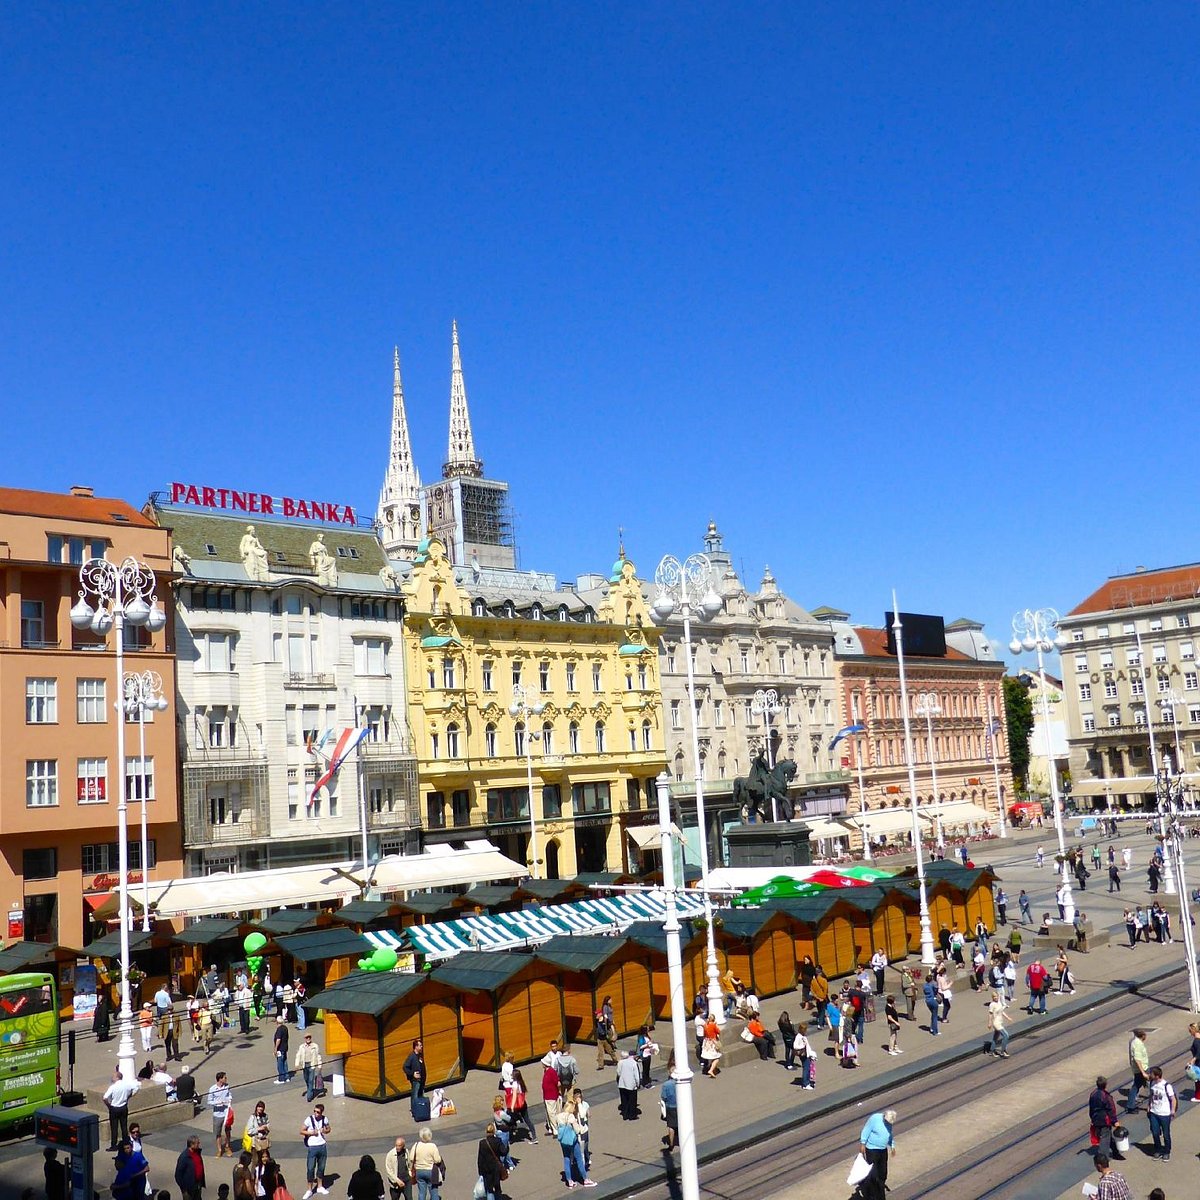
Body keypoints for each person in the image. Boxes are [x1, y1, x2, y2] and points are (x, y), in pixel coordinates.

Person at [856, 1109, 896, 1200]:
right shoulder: (874, 1119)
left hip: (883, 1150)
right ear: (884, 1117)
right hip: (872, 1150)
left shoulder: (889, 1122)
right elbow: (866, 1130)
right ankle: (875, 1195)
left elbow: (889, 1134)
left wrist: (892, 1145)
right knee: (874, 1175)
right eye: (887, 1122)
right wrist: (863, 1143)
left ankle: (878, 1191)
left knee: (883, 1173)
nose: (888, 1123)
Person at [554, 1111, 596, 1189]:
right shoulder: (570, 1116)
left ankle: (570, 1181)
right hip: (572, 1140)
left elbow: (556, 1128)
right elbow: (577, 1130)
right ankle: (585, 1180)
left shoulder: (558, 1116)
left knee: (566, 1159)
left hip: (563, 1141)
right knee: (579, 1159)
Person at [103, 1068, 139, 1150]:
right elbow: (136, 1088)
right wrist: (128, 1096)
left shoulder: (113, 1087)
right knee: (124, 1126)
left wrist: (109, 1105)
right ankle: (126, 1142)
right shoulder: (126, 1084)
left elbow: (104, 1098)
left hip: (114, 1108)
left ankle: (113, 1145)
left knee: (114, 1127)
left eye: (113, 1076)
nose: (112, 1078)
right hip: (123, 1107)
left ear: (117, 1077)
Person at [300, 1103, 331, 1199]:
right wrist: (310, 1133)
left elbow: (329, 1129)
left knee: (321, 1167)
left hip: (322, 1146)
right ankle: (309, 1189)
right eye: (314, 1111)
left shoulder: (324, 1119)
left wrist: (324, 1130)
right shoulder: (309, 1119)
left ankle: (320, 1186)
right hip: (312, 1147)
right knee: (310, 1168)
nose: (315, 1113)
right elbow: (301, 1131)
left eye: (318, 1112)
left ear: (321, 1112)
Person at [1088, 1076, 1122, 1161]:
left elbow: (1091, 1108)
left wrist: (1092, 1118)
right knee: (1105, 1139)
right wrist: (1115, 1121)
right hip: (1104, 1120)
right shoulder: (1106, 1096)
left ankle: (1115, 1152)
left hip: (1095, 1119)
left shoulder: (1093, 1094)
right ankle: (1103, 1159)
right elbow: (1111, 1109)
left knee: (1108, 1136)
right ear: (1105, 1085)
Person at [1147, 1066, 1177, 1160]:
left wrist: (1172, 1110)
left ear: (1156, 1075)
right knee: (1155, 1132)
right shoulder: (1152, 1083)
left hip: (1164, 1114)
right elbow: (1151, 1095)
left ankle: (1167, 1151)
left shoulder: (1166, 1085)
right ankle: (1158, 1149)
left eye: (1151, 1074)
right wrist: (1149, 1106)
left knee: (1166, 1134)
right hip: (1154, 1112)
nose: (1149, 1075)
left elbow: (1173, 1099)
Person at [407, 1127, 443, 1200]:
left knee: (421, 1192)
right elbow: (437, 1160)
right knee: (434, 1192)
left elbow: (411, 1158)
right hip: (431, 1171)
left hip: (419, 1171)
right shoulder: (432, 1146)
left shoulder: (416, 1145)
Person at [476, 1124, 507, 1200]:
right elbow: (504, 1152)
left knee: (489, 1190)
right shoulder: (498, 1141)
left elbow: (480, 1159)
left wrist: (480, 1172)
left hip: (486, 1169)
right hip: (496, 1168)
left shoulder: (482, 1143)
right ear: (494, 1131)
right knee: (497, 1187)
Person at [207, 1072, 233, 1158]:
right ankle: (219, 1150)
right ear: (220, 1079)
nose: (226, 1079)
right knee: (218, 1133)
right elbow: (209, 1101)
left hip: (226, 1113)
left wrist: (229, 1100)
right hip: (217, 1114)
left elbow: (230, 1095)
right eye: (225, 1078)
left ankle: (227, 1146)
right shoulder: (212, 1089)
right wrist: (218, 1103)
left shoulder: (227, 1086)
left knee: (228, 1131)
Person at [175, 1134, 206, 1200]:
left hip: (198, 1184)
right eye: (197, 1143)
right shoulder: (184, 1157)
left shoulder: (197, 1153)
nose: (199, 1144)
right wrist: (184, 1189)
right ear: (191, 1144)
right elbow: (178, 1175)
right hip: (189, 1188)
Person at [1126, 1030, 1150, 1113]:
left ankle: (1130, 1105)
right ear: (1142, 1035)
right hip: (1142, 1069)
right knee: (1151, 1087)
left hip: (1139, 1069)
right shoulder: (1138, 1044)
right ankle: (1152, 1106)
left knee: (1136, 1086)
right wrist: (1143, 1072)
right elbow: (1137, 1059)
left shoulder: (1135, 1042)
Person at [295, 1033, 323, 1103]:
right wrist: (297, 1065)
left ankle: (309, 1096)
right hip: (305, 1065)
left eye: (309, 1037)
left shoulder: (315, 1046)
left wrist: (320, 1065)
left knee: (311, 1080)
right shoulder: (301, 1046)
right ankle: (309, 1089)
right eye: (307, 1037)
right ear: (305, 1039)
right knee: (306, 1079)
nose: (308, 1039)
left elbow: (318, 1055)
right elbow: (298, 1055)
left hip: (312, 1064)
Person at [403, 1040, 426, 1119]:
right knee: (415, 1095)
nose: (421, 1047)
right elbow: (405, 1067)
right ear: (416, 1047)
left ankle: (421, 1110)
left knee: (421, 1095)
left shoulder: (419, 1055)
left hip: (421, 1080)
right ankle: (414, 1111)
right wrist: (412, 1074)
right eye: (420, 1045)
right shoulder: (412, 1056)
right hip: (416, 1081)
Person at [384, 1136, 412, 1200]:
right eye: (396, 1145)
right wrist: (397, 1181)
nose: (397, 1147)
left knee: (409, 1198)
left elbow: (409, 1164)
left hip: (406, 1180)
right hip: (395, 1183)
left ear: (403, 1146)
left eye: (399, 1146)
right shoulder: (390, 1154)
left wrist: (410, 1173)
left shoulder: (406, 1152)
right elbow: (389, 1171)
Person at [616, 1050, 641, 1119]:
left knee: (624, 1100)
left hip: (622, 1084)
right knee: (632, 1101)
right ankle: (632, 1115)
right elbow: (637, 1076)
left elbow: (618, 1073)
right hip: (631, 1085)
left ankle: (625, 1114)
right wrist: (638, 1084)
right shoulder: (634, 1063)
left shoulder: (621, 1062)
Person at [987, 991, 1010, 1057]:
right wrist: (989, 1023)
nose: (996, 998)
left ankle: (991, 1051)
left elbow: (1001, 1011)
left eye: (996, 996)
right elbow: (990, 1014)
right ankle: (1003, 1051)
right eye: (994, 997)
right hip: (996, 1023)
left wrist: (1007, 1017)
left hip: (1000, 1021)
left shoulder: (999, 1003)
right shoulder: (992, 1004)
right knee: (1006, 1035)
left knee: (995, 1037)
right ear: (992, 998)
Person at [542, 1060, 563, 1132]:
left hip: (551, 1096)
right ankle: (552, 1127)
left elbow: (558, 1083)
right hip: (548, 1095)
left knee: (552, 1113)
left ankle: (556, 1129)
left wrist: (559, 1092)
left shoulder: (551, 1071)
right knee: (551, 1112)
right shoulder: (547, 1071)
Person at [794, 1023, 815, 1089]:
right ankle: (805, 1084)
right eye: (805, 1029)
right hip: (803, 1055)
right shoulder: (799, 1037)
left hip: (807, 1054)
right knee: (806, 1069)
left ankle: (807, 1082)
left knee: (808, 1068)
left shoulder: (802, 1036)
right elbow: (795, 1046)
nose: (806, 1030)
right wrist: (802, 1046)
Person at [271, 1017, 290, 1085]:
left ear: (277, 1022)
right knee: (285, 1062)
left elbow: (278, 1039)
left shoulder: (279, 1029)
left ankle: (281, 1078)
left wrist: (275, 1048)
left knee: (280, 1063)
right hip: (285, 1048)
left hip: (280, 1049)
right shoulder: (285, 1028)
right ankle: (287, 1077)